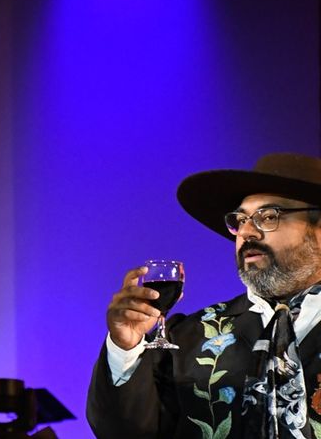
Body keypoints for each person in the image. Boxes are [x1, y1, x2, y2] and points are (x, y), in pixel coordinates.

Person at [88, 152, 321, 438]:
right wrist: (124, 348)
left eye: (269, 216)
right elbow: (123, 433)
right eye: (240, 219)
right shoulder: (188, 337)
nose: (246, 232)